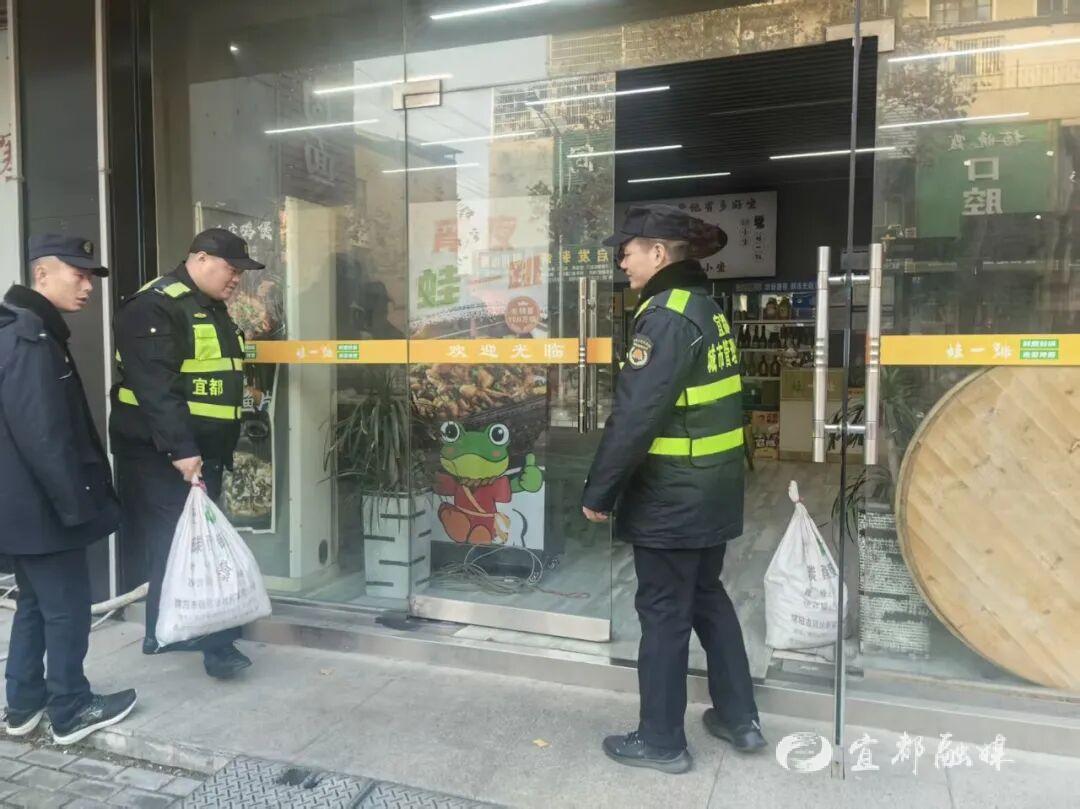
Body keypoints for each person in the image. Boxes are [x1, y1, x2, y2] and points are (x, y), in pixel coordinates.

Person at [582, 204, 766, 774]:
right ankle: (739, 718)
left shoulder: (664, 317)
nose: (622, 261)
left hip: (673, 495)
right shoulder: (706, 308)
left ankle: (661, 739)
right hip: (711, 488)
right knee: (707, 597)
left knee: (663, 611)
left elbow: (637, 415)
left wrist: (599, 491)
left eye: (628, 251)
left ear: (658, 252)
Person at [0, 235, 138, 744]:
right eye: (77, 275)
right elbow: (45, 437)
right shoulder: (30, 338)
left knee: (36, 605)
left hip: (21, 505)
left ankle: (23, 705)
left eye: (90, 277)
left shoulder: (20, 329)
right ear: (41, 274)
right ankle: (71, 708)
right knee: (66, 608)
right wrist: (77, 508)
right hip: (44, 508)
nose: (87, 287)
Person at [110, 228, 264, 679]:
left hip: (199, 450)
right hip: (161, 453)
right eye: (231, 269)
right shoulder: (154, 306)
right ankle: (218, 646)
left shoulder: (208, 306)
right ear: (199, 259)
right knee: (195, 543)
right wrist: (182, 449)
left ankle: (163, 632)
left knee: (177, 541)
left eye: (240, 272)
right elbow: (156, 388)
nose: (236, 279)